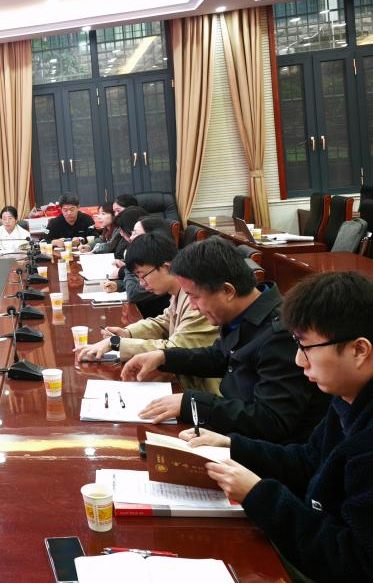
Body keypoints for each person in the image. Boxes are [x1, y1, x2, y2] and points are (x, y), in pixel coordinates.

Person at [177, 272, 372, 583]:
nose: (298, 360)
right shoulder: (347, 397)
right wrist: (231, 446)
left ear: (359, 351)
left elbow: (354, 563)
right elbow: (309, 461)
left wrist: (258, 495)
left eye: (306, 347)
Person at [121, 237, 329, 442]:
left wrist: (192, 404)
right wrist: (163, 357)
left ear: (227, 291)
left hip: (260, 450)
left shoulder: (280, 336)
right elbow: (218, 356)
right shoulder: (242, 313)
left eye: (195, 296)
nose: (193, 306)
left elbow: (272, 421)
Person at [75, 232, 221, 394]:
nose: (141, 284)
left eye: (142, 276)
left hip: (203, 393)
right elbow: (164, 321)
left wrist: (117, 343)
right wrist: (128, 333)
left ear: (166, 267)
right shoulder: (178, 292)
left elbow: (174, 349)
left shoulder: (197, 299)